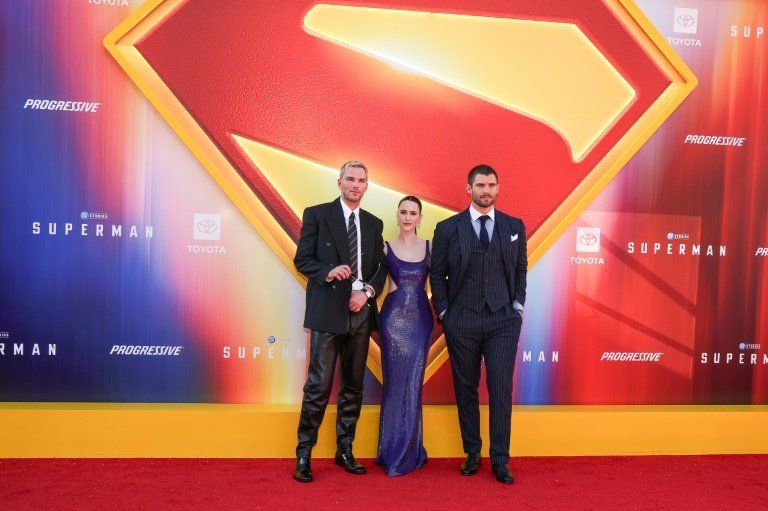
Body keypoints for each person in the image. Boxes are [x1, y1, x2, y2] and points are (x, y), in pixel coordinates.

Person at [430, 164, 527, 484]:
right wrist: (445, 313)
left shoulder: (514, 226)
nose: (487, 190)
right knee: (466, 388)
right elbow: (437, 274)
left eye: (491, 185)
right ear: (469, 189)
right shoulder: (448, 228)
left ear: (498, 188)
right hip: (462, 319)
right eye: (481, 185)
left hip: (503, 320)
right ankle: (472, 452)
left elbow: (520, 269)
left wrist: (517, 306)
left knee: (501, 389)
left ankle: (500, 459)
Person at [292, 160, 387, 483]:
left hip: (361, 311)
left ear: (367, 186)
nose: (355, 185)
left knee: (353, 385)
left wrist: (367, 292)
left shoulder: (373, 223)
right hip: (327, 311)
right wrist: (328, 271)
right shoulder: (317, 214)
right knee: (318, 385)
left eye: (361, 180)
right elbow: (302, 259)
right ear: (340, 182)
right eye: (350, 179)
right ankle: (304, 453)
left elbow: (380, 268)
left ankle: (345, 449)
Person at [376, 196, 432, 476]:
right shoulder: (385, 248)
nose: (408, 217)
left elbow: (439, 284)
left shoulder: (431, 247)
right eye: (403, 212)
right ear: (397, 216)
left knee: (413, 385)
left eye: (413, 213)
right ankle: (391, 452)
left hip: (420, 323)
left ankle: (410, 450)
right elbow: (377, 282)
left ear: (420, 217)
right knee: (394, 385)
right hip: (392, 322)